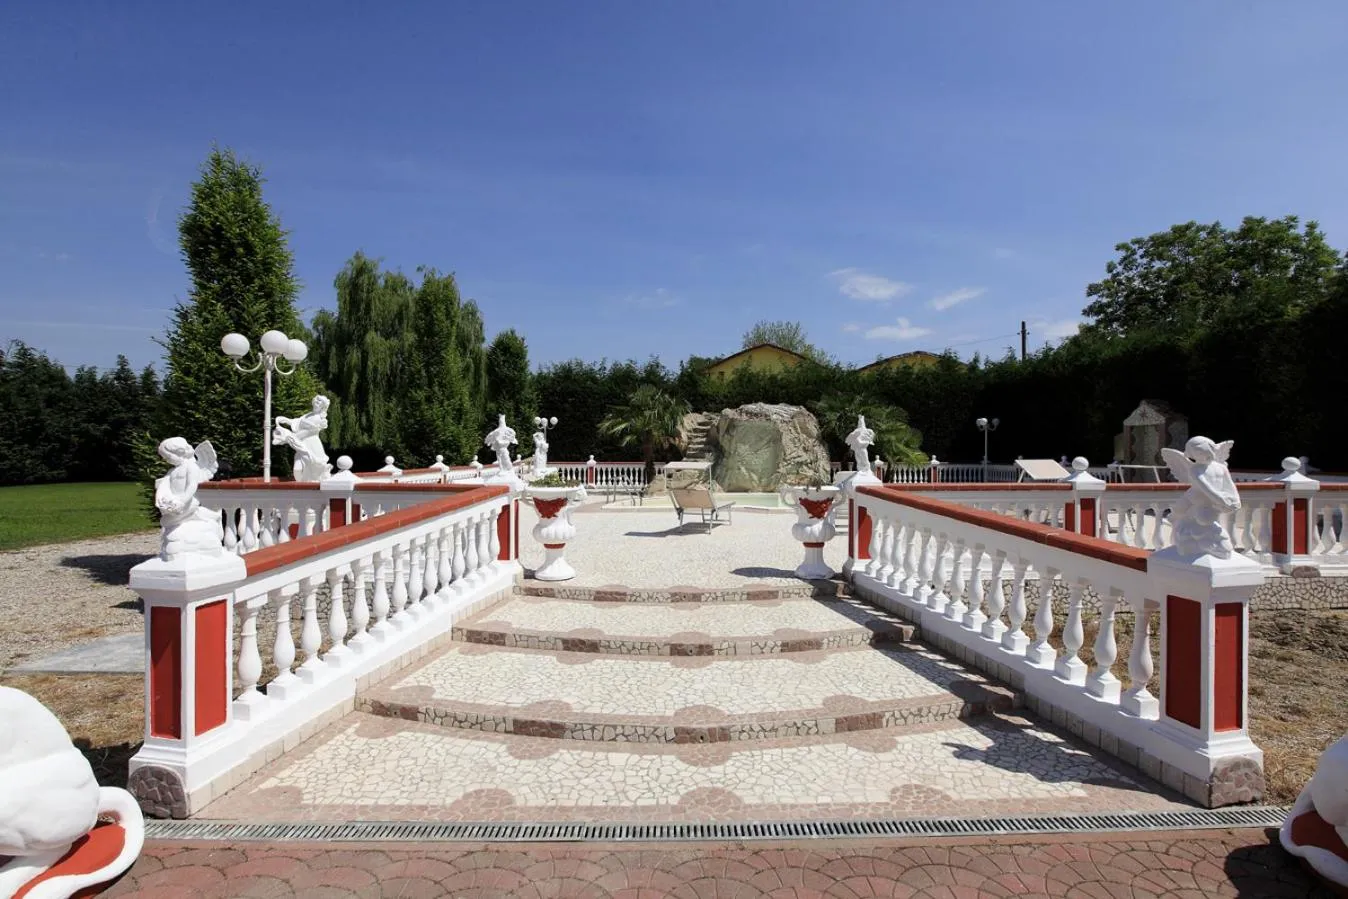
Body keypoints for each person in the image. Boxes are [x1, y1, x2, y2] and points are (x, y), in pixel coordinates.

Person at [273, 395, 332, 482]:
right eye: (316, 399)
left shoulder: (318, 419)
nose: (317, 402)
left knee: (314, 469)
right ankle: (302, 490)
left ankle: (311, 489)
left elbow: (305, 433)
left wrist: (287, 437)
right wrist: (286, 420)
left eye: (320, 401)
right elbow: (298, 422)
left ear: (323, 406)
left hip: (312, 446)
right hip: (301, 444)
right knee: (297, 470)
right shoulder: (308, 415)